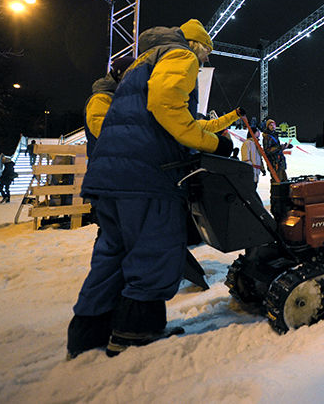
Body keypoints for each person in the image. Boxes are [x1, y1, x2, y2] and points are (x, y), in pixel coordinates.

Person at [67, 19, 234, 359]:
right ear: (198, 45)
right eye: (205, 55)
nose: (202, 63)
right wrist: (210, 144)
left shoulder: (139, 65)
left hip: (111, 178)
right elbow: (167, 104)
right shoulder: (180, 55)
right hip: (146, 176)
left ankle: (88, 332)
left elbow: (144, 112)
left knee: (111, 257)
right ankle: (135, 333)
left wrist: (215, 130)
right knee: (154, 251)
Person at [84, 56, 136, 159]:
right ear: (120, 75)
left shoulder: (125, 98)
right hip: (105, 165)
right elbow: (105, 132)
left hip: (120, 163)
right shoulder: (101, 99)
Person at [241, 120, 266, 184]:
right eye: (257, 131)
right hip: (251, 172)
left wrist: (262, 168)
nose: (259, 133)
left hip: (256, 171)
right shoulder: (247, 143)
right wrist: (250, 169)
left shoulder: (257, 144)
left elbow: (259, 157)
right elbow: (245, 158)